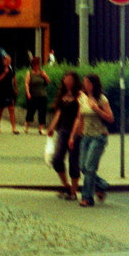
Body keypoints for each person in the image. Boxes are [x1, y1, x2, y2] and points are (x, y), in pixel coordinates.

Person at [71, 73, 114, 207]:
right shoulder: (82, 98)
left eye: (88, 83)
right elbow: (79, 118)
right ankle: (102, 185)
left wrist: (97, 109)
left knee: (89, 167)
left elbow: (110, 118)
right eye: (85, 83)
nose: (86, 85)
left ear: (94, 84)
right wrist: (73, 136)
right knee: (83, 167)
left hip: (99, 136)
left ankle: (87, 198)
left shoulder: (102, 99)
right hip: (85, 136)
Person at [47, 71, 82, 200]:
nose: (67, 81)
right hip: (63, 130)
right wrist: (51, 127)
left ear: (74, 81)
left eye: (69, 79)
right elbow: (59, 113)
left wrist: (74, 134)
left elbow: (79, 116)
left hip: (76, 132)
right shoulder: (63, 95)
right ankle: (66, 185)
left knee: (73, 161)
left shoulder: (80, 96)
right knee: (57, 159)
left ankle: (73, 191)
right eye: (65, 79)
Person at [24, 56, 51, 134]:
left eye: (38, 64)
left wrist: (45, 76)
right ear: (32, 65)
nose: (37, 66)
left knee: (42, 112)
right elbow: (26, 84)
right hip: (33, 95)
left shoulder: (42, 72)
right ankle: (26, 126)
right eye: (35, 64)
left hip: (42, 95)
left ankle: (40, 128)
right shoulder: (29, 73)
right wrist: (28, 93)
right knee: (31, 111)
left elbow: (48, 81)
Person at [0, 55, 19, 134]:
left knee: (11, 109)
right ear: (3, 60)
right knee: (0, 110)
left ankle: (13, 128)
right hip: (1, 91)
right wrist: (4, 74)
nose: (9, 62)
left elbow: (14, 79)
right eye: (7, 60)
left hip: (9, 91)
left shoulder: (11, 68)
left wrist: (15, 88)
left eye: (10, 61)